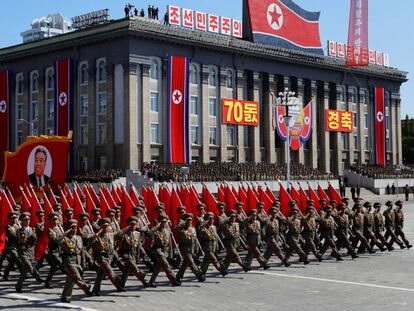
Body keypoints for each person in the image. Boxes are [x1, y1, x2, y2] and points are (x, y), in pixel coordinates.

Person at [60, 219, 94, 303]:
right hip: (69, 260)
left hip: (77, 260)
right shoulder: (64, 238)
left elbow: (82, 251)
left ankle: (65, 296)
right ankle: (85, 288)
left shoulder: (79, 238)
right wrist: (65, 232)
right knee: (76, 276)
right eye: (72, 228)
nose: (74, 230)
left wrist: (83, 263)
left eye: (75, 228)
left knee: (71, 279)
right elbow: (57, 240)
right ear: (69, 229)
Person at [91, 218, 124, 295]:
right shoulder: (97, 236)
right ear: (100, 227)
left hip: (109, 257)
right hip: (101, 257)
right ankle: (118, 285)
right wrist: (97, 234)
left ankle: (95, 290)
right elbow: (90, 242)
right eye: (103, 227)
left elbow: (119, 233)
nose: (105, 228)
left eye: (107, 226)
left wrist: (126, 228)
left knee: (100, 274)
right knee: (110, 271)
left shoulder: (110, 235)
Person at [15, 213, 44, 293]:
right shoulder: (19, 231)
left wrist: (35, 238)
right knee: (29, 266)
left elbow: (35, 241)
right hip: (23, 251)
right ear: (21, 221)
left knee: (24, 271)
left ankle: (18, 286)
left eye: (28, 220)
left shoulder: (32, 229)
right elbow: (22, 241)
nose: (27, 221)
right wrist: (25, 238)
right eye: (25, 220)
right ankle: (37, 277)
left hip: (30, 251)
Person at [149, 215, 181, 287]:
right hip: (158, 250)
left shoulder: (168, 231)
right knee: (166, 265)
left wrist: (170, 254)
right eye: (162, 222)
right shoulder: (156, 231)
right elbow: (150, 233)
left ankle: (151, 282)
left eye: (165, 222)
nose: (164, 223)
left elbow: (169, 244)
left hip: (165, 251)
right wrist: (157, 226)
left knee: (157, 267)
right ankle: (174, 280)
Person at [175, 213, 205, 282]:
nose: (189, 222)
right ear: (185, 221)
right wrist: (180, 225)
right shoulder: (181, 228)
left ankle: (178, 277)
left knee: (185, 263)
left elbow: (195, 240)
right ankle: (199, 275)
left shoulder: (193, 229)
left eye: (190, 220)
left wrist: (196, 249)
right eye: (188, 220)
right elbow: (176, 230)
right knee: (191, 263)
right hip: (185, 249)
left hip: (192, 248)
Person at [45, 212, 64, 289]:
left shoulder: (60, 228)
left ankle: (47, 282)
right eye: (53, 220)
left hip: (60, 250)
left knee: (53, 268)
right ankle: (73, 279)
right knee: (61, 264)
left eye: (56, 219)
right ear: (51, 221)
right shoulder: (50, 230)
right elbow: (55, 240)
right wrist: (64, 235)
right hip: (53, 251)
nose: (55, 221)